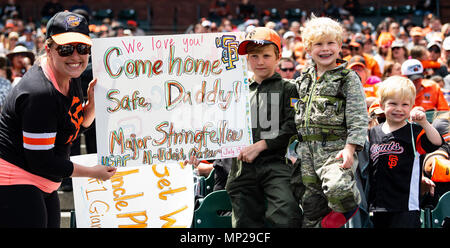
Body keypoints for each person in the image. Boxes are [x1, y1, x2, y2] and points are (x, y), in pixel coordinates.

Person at [0, 11, 116, 228]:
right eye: (65, 48)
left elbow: (68, 131)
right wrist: (92, 173)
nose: (75, 56)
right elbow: (41, 160)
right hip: (17, 180)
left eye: (82, 48)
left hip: (43, 181)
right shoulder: (39, 93)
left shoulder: (70, 78)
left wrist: (90, 109)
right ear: (48, 49)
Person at [293, 15, 368, 228]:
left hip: (334, 150)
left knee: (339, 189)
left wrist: (350, 149)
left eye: (330, 43)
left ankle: (347, 210)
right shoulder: (302, 79)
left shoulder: (347, 77)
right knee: (311, 208)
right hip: (306, 153)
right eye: (318, 44)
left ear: (339, 46)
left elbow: (358, 117)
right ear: (308, 49)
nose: (325, 49)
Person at [225, 27, 302, 228]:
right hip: (241, 168)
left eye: (266, 56)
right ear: (247, 59)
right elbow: (217, 126)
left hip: (275, 163)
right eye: (254, 56)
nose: (260, 62)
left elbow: (293, 124)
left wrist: (263, 145)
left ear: (278, 57)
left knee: (286, 211)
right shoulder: (236, 90)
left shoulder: (289, 88)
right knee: (243, 221)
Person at [368, 76, 443, 228]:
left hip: (406, 205)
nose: (399, 109)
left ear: (411, 106)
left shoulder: (413, 131)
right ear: (382, 105)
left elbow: (437, 142)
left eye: (404, 104)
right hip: (378, 205)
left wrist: (424, 123)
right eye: (393, 103)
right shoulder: (373, 133)